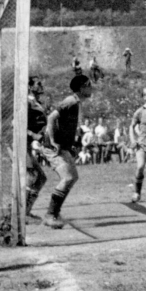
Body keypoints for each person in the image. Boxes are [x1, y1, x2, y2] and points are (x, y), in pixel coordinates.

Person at [42, 74, 94, 229]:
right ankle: (50, 215)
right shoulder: (70, 101)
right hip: (53, 146)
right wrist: (52, 141)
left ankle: (54, 212)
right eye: (89, 85)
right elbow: (51, 118)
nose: (91, 88)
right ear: (82, 87)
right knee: (67, 178)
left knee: (73, 177)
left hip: (63, 146)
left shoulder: (76, 103)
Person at [25, 77, 48, 222]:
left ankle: (25, 211)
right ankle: (22, 213)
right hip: (22, 143)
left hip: (30, 144)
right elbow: (17, 123)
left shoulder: (36, 102)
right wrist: (33, 135)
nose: (41, 86)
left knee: (40, 178)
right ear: (30, 86)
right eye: (37, 84)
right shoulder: (27, 102)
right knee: (34, 177)